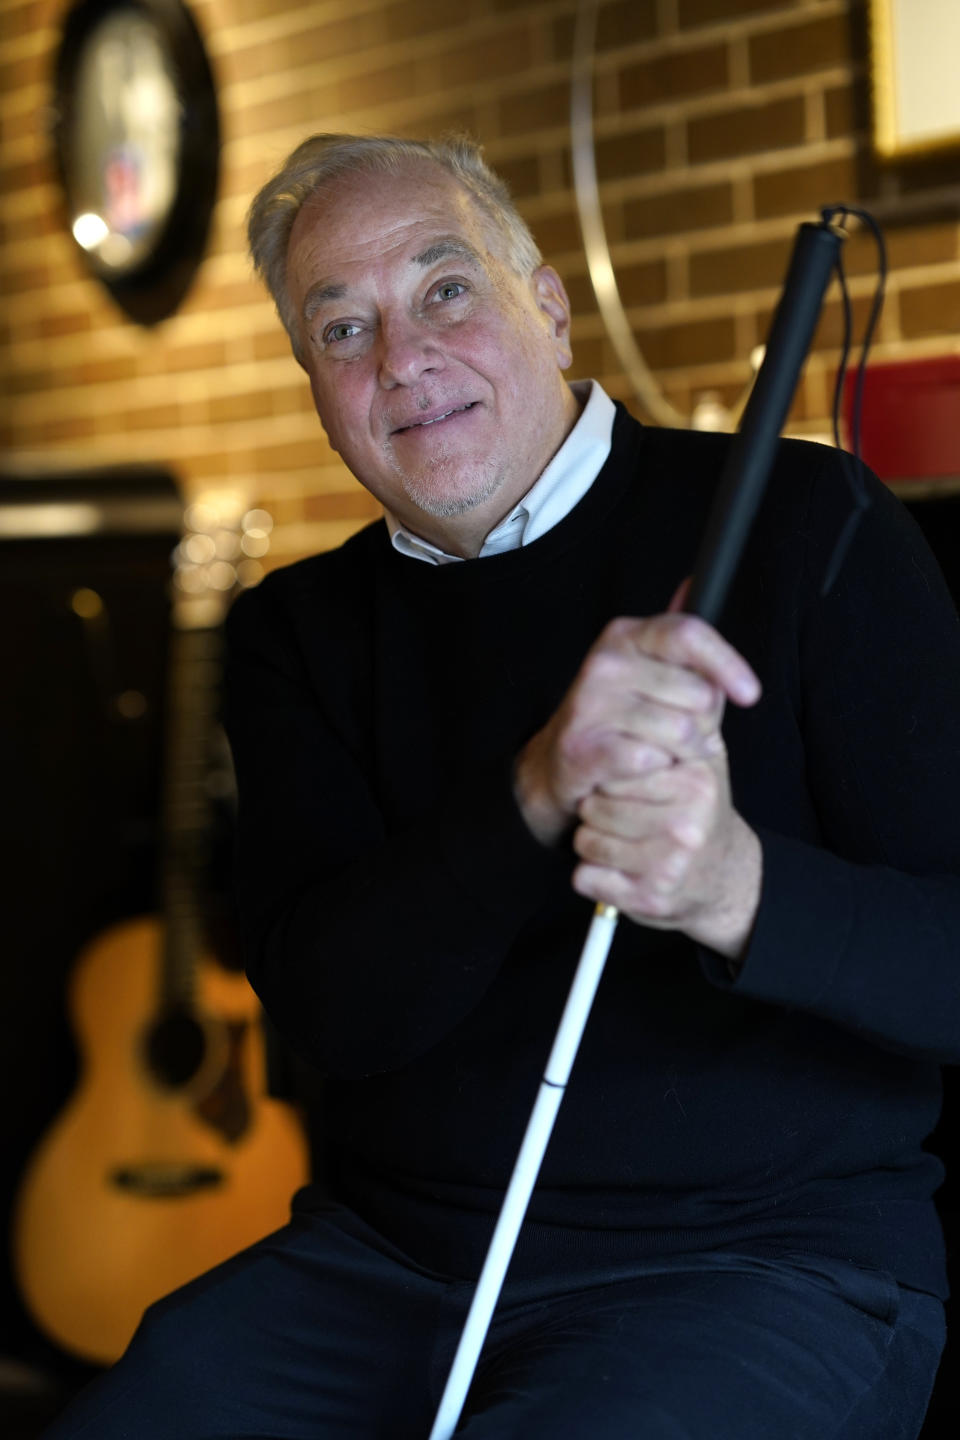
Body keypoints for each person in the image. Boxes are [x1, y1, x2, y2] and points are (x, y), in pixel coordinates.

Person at [46, 133, 960, 1440]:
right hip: (390, 1267)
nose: (402, 358)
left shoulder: (817, 527)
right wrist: (537, 787)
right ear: (313, 379)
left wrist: (735, 890)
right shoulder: (295, 633)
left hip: (763, 1266)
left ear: (548, 302)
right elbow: (336, 1012)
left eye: (446, 289)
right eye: (340, 326)